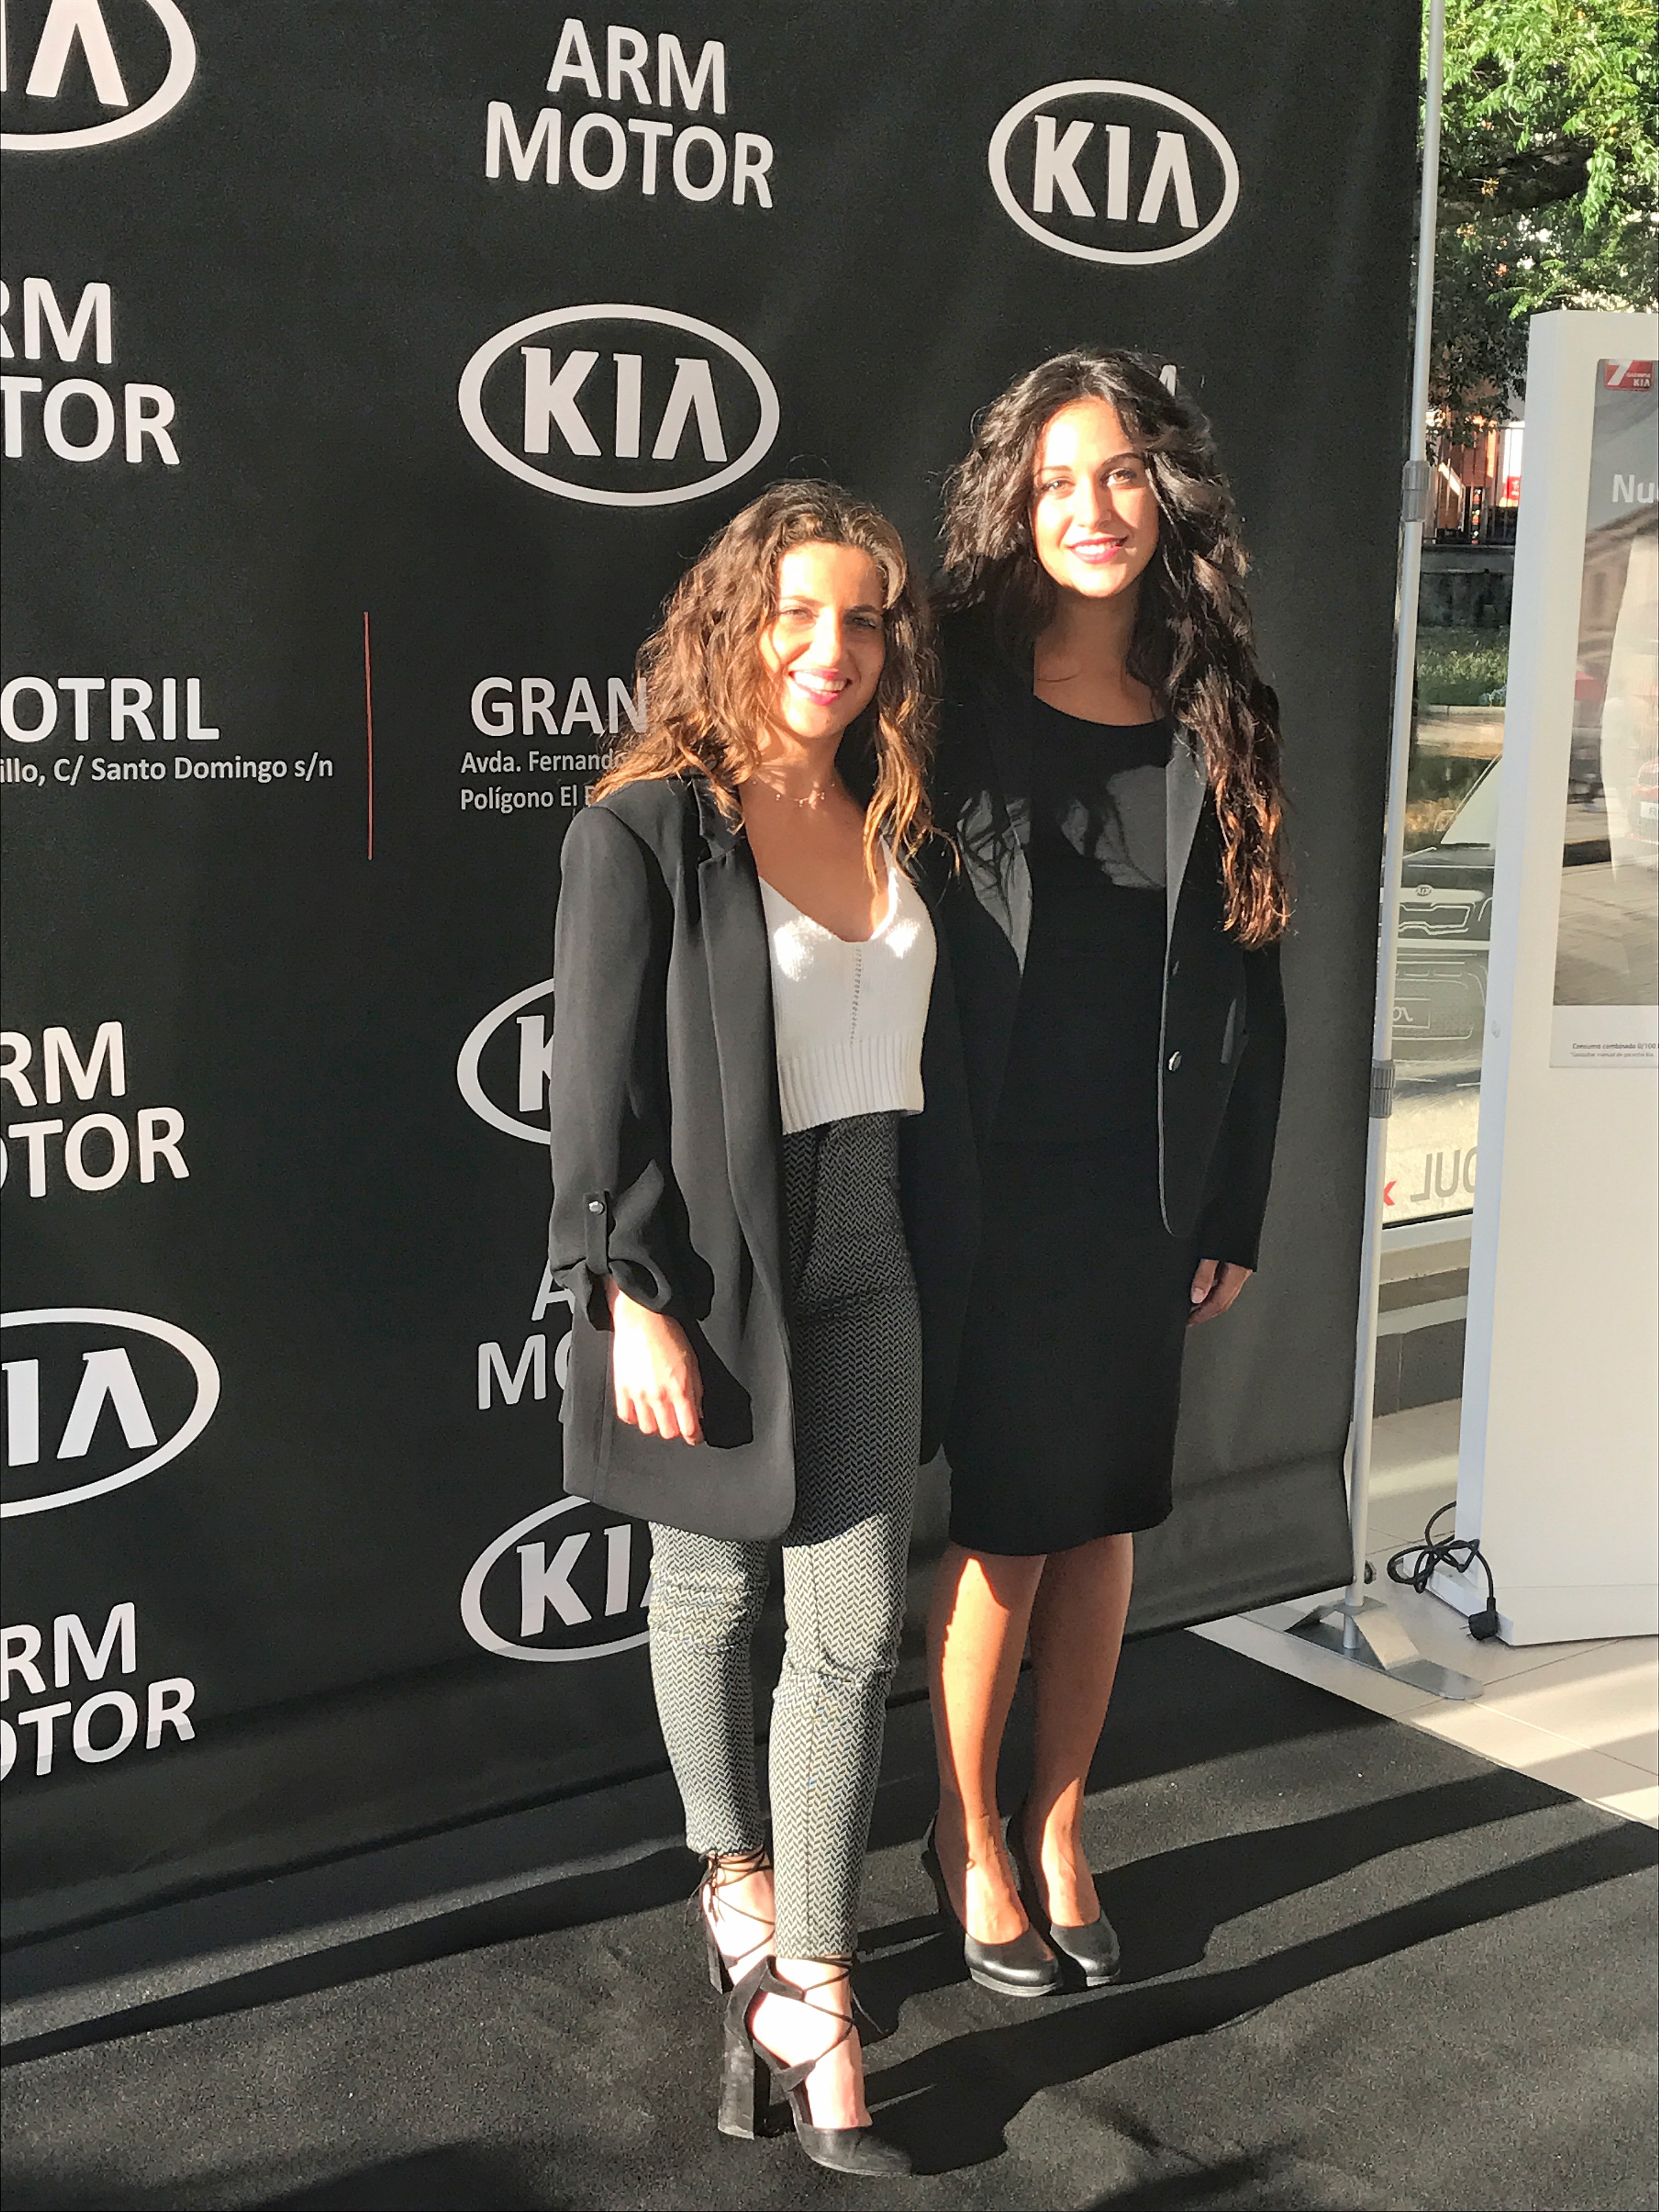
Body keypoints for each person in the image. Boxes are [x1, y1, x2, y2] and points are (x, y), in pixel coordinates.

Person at [546, 480, 974, 2177]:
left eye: (863, 618)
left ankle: (810, 1986)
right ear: (735, 621)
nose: (831, 647)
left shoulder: (897, 809)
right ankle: (732, 1872)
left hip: (875, 1248)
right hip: (716, 1263)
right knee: (713, 1590)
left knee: (853, 1630)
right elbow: (595, 1099)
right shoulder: (647, 827)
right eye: (798, 612)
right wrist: (625, 1297)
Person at [923, 349, 1290, 1995]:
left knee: (1109, 1520)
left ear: (1168, 495)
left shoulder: (1223, 707)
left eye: (1123, 472)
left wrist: (1234, 1203)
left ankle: (1062, 1822)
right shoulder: (948, 696)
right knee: (1011, 1524)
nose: (1093, 508)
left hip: (1149, 1195)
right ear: (1016, 503)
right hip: (994, 1190)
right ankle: (964, 1837)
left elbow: (1256, 973)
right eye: (1058, 479)